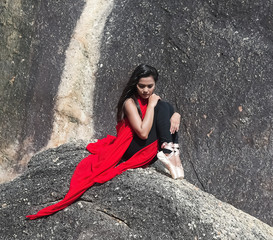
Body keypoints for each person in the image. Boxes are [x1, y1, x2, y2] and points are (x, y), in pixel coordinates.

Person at [26, 64, 184, 220]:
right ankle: (169, 152)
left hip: (149, 148)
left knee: (166, 107)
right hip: (132, 148)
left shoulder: (155, 100)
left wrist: (176, 114)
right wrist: (151, 106)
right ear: (135, 84)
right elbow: (142, 133)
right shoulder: (130, 102)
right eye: (141, 86)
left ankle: (170, 151)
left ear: (155, 84)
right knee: (163, 106)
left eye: (150, 86)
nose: (146, 90)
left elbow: (164, 117)